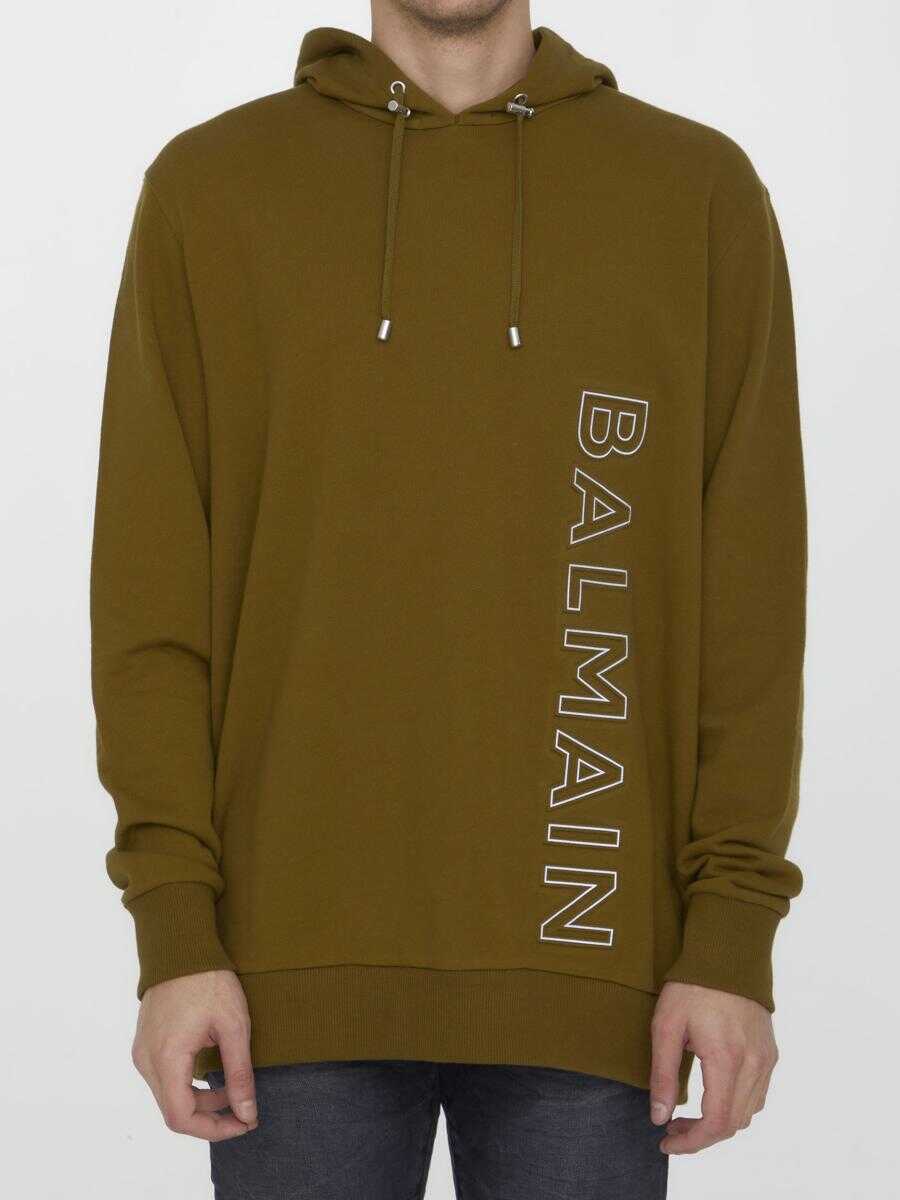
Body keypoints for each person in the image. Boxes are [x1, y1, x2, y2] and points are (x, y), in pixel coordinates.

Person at [91, 0, 806, 1195]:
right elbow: (151, 605)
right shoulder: (211, 190)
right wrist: (173, 930)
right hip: (282, 974)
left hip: (595, 964)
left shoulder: (696, 194)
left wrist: (731, 937)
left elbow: (752, 606)